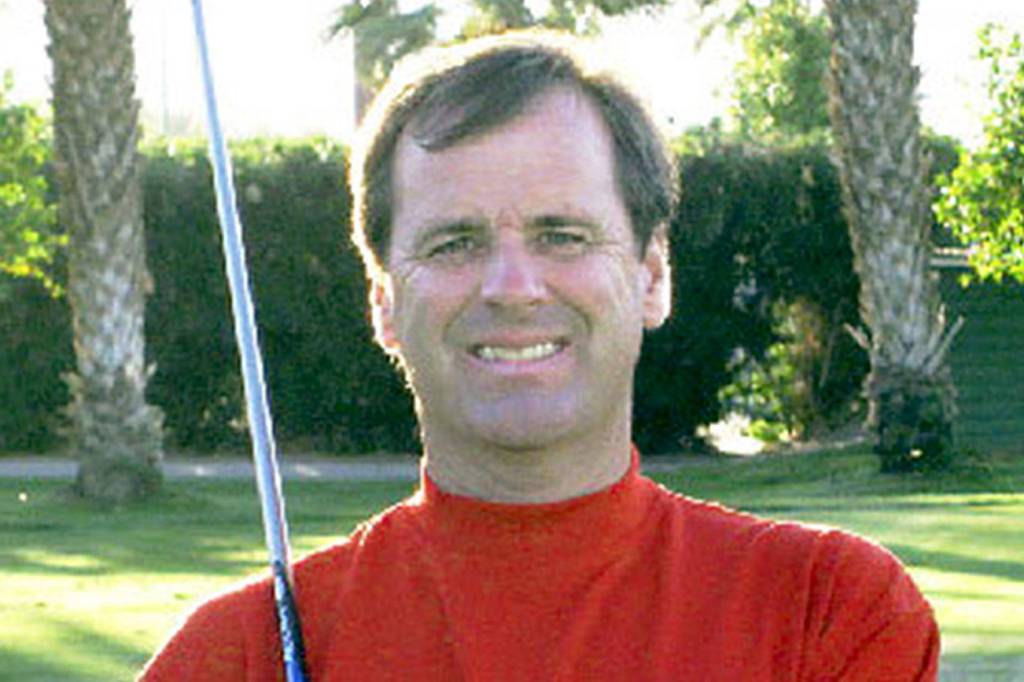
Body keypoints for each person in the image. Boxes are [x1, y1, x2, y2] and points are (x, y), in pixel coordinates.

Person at [140, 32, 940, 681]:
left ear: (652, 276)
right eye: (454, 243)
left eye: (563, 235)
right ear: (383, 301)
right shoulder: (237, 657)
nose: (513, 288)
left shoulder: (825, 611)